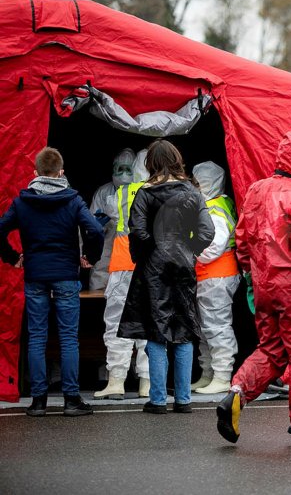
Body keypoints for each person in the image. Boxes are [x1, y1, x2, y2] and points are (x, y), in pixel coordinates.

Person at [216, 131, 291, 447]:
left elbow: (241, 239)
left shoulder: (257, 190)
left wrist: (248, 281)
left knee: (272, 349)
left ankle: (236, 393)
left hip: (263, 287)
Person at [0, 147, 104, 417]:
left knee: (37, 336)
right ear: (62, 173)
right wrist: (89, 256)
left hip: (35, 274)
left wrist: (12, 257)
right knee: (69, 337)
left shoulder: (22, 202)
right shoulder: (73, 201)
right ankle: (71, 400)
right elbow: (94, 229)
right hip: (66, 275)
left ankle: (38, 402)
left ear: (35, 173)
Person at [117, 139, 214, 414]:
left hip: (153, 270)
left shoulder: (145, 194)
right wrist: (188, 252)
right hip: (183, 269)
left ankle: (158, 399)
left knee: (157, 333)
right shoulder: (193, 194)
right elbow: (207, 233)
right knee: (183, 332)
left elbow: (137, 232)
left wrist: (146, 256)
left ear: (151, 164)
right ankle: (183, 400)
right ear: (176, 160)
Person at [94, 150, 150, 399]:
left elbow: (103, 215)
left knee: (117, 325)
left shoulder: (120, 195)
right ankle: (147, 383)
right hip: (151, 268)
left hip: (123, 265)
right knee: (149, 326)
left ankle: (116, 381)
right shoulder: (163, 194)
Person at [191, 161, 240, 394]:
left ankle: (221, 376)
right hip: (211, 276)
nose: (195, 186)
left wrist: (187, 252)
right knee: (205, 328)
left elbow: (212, 248)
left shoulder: (214, 209)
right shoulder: (218, 204)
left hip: (217, 275)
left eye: (198, 182)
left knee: (217, 327)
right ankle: (208, 373)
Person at [88, 148, 136, 291]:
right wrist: (98, 225)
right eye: (120, 169)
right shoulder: (104, 192)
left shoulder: (139, 190)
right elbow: (91, 222)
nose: (124, 174)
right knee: (100, 276)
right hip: (107, 242)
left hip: (129, 246)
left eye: (128, 169)